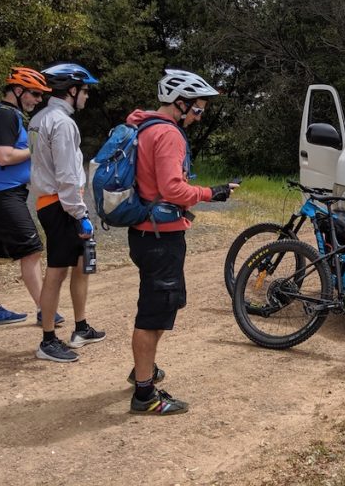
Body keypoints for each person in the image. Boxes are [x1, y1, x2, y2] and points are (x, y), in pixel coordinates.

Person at [127, 69, 238, 415]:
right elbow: (173, 188)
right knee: (152, 313)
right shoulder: (168, 134)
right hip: (160, 236)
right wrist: (212, 193)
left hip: (146, 231)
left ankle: (143, 370)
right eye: (198, 109)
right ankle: (144, 395)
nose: (198, 117)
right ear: (180, 103)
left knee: (162, 306)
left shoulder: (143, 126)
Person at [28, 63, 105, 363]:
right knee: (57, 272)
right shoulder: (62, 123)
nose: (87, 96)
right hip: (61, 205)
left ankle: (81, 328)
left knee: (80, 263)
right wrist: (79, 213)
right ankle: (48, 340)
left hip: (54, 203)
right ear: (71, 90)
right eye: (85, 90)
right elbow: (67, 175)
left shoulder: (40, 117)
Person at [0, 67, 50, 328]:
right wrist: (35, 148)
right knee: (32, 250)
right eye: (35, 94)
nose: (38, 100)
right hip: (2, 193)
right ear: (18, 91)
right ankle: (45, 310)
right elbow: (3, 156)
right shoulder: (6, 115)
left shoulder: (0, 113)